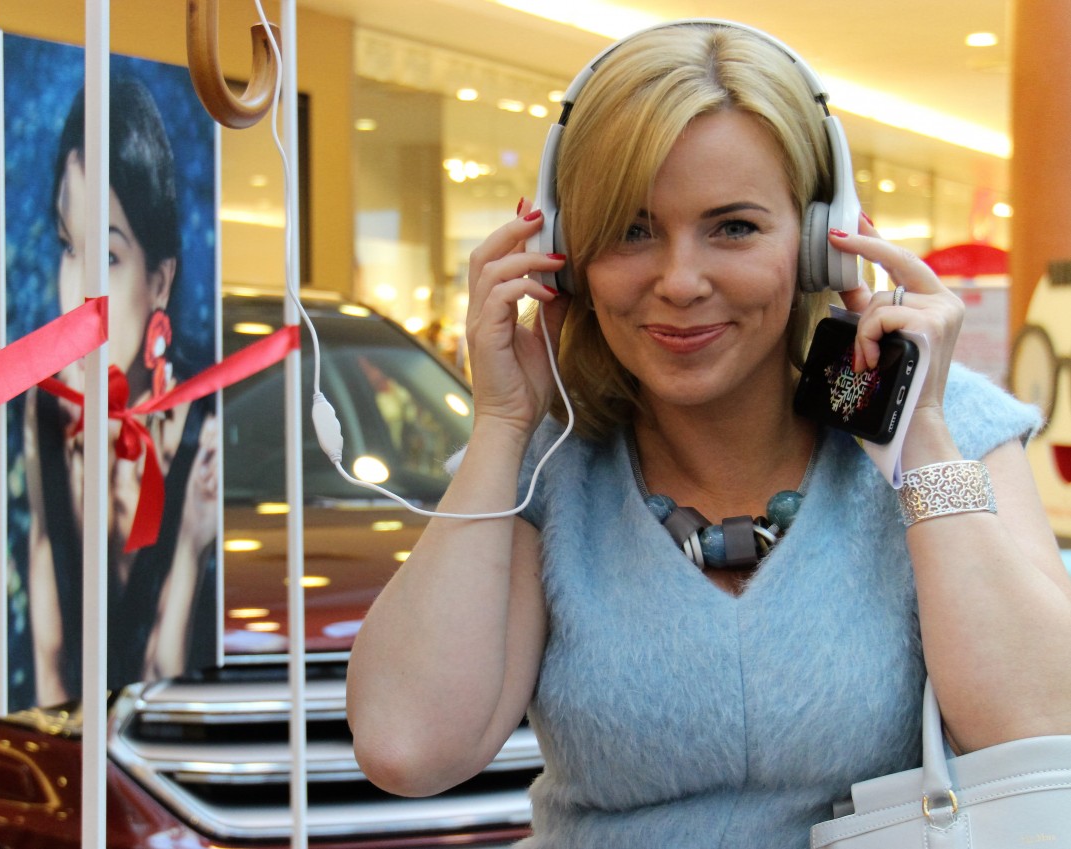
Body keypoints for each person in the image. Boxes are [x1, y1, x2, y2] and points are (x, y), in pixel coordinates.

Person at [345, 21, 1071, 846]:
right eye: (631, 230)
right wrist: (501, 425)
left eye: (733, 227)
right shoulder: (549, 464)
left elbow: (1041, 726)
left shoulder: (945, 426)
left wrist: (921, 442)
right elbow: (408, 747)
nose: (680, 281)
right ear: (563, 255)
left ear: (820, 245)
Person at [23, 76, 219, 706]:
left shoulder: (203, 430)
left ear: (159, 280)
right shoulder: (46, 410)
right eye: (67, 247)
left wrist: (188, 547)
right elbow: (50, 667)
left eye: (106, 257)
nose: (78, 294)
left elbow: (171, 679)